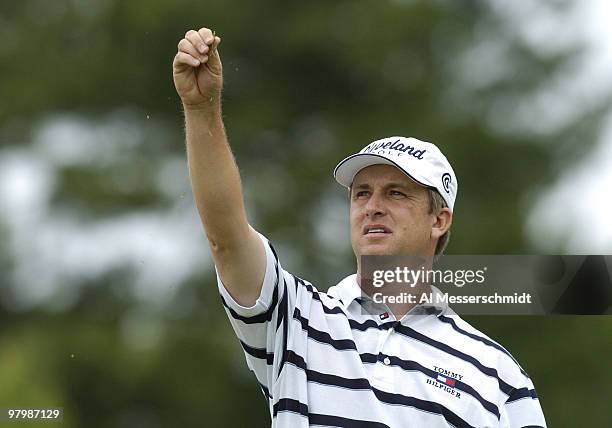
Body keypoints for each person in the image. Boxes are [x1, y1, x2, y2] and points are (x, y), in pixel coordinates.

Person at [172, 27, 547, 428]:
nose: (372, 207)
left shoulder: (497, 376)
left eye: (396, 194)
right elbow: (225, 238)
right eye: (361, 194)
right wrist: (201, 110)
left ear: (439, 220)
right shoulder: (299, 320)